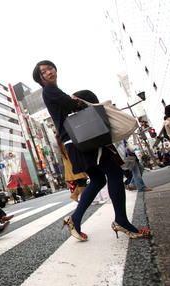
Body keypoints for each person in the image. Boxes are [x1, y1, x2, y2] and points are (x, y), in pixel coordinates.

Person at [32, 60, 151, 241]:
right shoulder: (49, 90)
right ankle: (121, 221)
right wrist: (77, 102)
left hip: (76, 142)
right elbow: (73, 105)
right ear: (40, 79)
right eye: (43, 72)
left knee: (97, 179)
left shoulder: (53, 90)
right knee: (115, 173)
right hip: (83, 140)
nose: (49, 72)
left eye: (50, 68)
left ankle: (75, 219)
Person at [55, 134, 88, 202]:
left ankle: (75, 195)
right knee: (81, 181)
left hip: (70, 165)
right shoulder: (65, 143)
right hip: (73, 163)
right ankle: (84, 199)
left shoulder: (60, 144)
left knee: (81, 181)